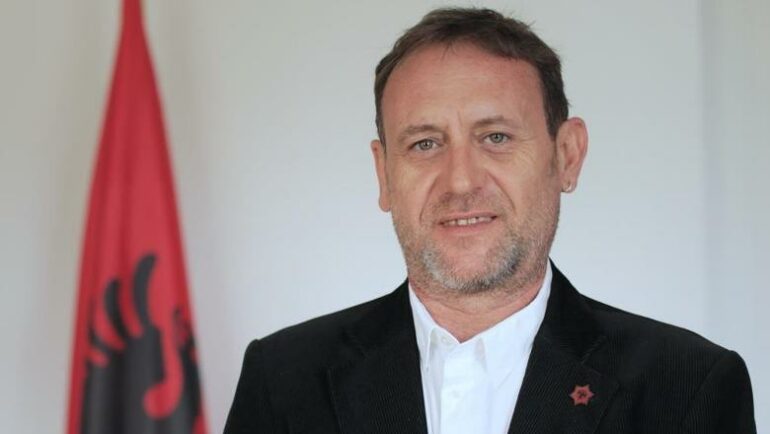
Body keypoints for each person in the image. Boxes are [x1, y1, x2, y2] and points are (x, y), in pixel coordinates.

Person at [224, 7, 756, 433]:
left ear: (567, 156)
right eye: (425, 143)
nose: (460, 181)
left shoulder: (688, 387)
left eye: (496, 137)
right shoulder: (283, 378)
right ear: (384, 175)